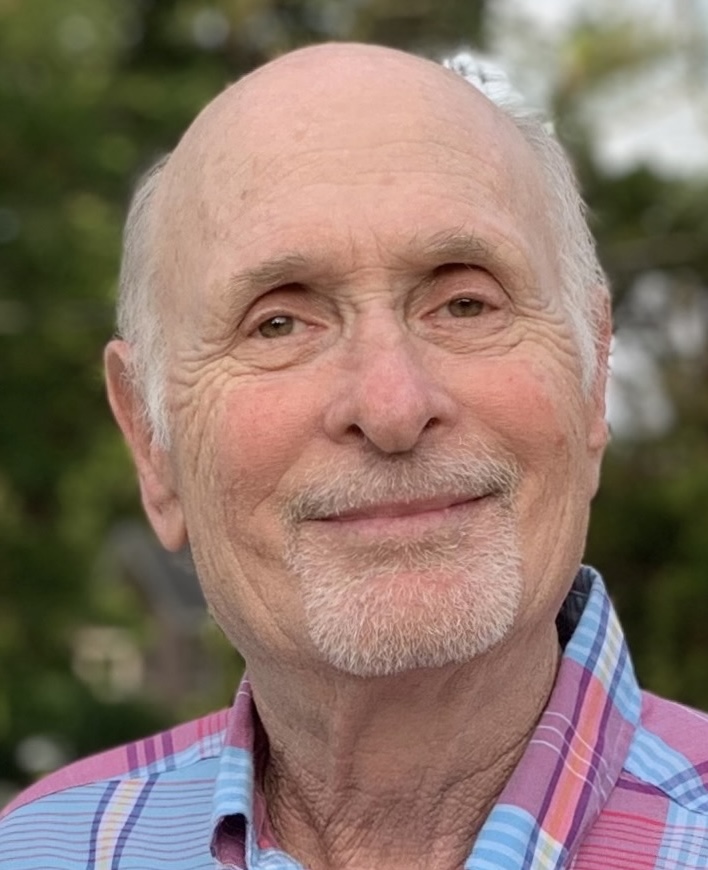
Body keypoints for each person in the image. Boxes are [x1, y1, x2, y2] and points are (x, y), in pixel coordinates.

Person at [1, 41, 707, 870]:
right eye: (277, 324)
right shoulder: (43, 849)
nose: (392, 407)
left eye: (466, 303)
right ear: (151, 441)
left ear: (593, 378)